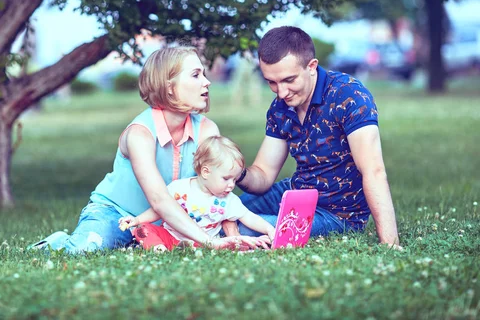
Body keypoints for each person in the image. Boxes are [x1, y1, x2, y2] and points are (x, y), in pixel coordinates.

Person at [28, 46, 261, 253]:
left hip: (178, 221)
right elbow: (159, 199)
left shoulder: (208, 130)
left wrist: (232, 236)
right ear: (169, 87)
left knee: (253, 235)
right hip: (118, 214)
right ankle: (56, 243)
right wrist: (209, 242)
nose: (207, 82)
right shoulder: (140, 134)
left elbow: (218, 191)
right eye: (195, 75)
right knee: (88, 248)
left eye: (204, 74)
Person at [225, 26, 400, 247]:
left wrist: (390, 243)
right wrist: (237, 173)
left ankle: (228, 235)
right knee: (223, 210)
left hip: (337, 214)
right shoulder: (281, 106)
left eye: (289, 80)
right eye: (271, 82)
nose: (281, 92)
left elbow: (373, 170)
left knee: (246, 227)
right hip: (296, 193)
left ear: (312, 67)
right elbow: (263, 174)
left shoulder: (349, 95)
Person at [118, 135, 275, 251]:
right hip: (171, 237)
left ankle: (178, 249)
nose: (231, 185)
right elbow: (158, 211)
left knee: (232, 244)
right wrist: (137, 219)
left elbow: (249, 217)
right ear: (206, 172)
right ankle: (159, 249)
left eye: (235, 180)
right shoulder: (179, 188)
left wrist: (269, 229)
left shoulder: (228, 200)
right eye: (226, 178)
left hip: (204, 243)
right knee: (143, 229)